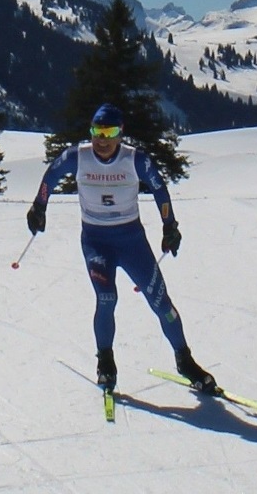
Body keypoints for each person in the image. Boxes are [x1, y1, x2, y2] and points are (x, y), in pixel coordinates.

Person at [25, 103, 216, 394]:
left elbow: (160, 190)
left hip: (131, 242)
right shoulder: (78, 156)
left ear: (120, 133)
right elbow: (50, 177)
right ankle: (105, 361)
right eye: (96, 132)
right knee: (106, 298)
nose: (102, 140)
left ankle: (185, 360)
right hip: (96, 242)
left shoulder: (135, 160)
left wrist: (170, 226)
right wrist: (39, 206)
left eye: (109, 132)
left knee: (162, 304)